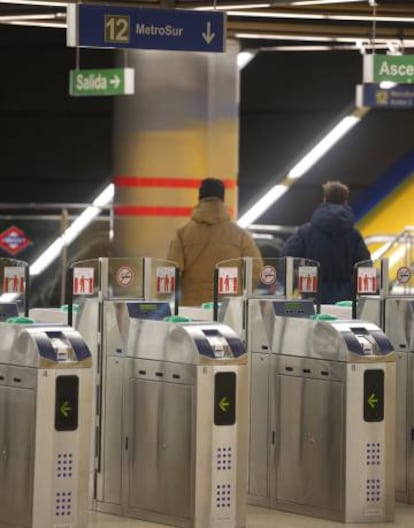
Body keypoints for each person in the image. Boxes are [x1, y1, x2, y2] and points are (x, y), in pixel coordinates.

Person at [167, 178, 263, 306]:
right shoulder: (240, 234)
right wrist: (239, 292)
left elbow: (170, 271)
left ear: (200, 198)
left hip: (193, 308)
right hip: (228, 309)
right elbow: (257, 269)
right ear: (222, 199)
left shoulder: (183, 233)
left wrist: (161, 302)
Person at [281, 180, 370, 304]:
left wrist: (293, 284)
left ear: (324, 200)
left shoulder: (306, 232)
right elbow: (365, 265)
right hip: (346, 299)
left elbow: (287, 258)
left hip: (312, 293)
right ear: (345, 202)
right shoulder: (354, 235)